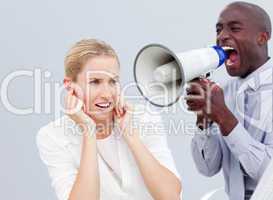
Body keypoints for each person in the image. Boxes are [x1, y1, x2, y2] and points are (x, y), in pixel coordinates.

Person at [36, 39, 182, 200]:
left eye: (113, 81)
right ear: (70, 86)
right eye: (95, 82)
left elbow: (170, 196)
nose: (107, 94)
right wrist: (88, 131)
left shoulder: (144, 118)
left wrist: (130, 135)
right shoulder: (52, 136)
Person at [186, 2, 272, 200]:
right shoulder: (224, 92)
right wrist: (203, 118)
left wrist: (224, 117)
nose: (222, 36)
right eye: (219, 29)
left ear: (262, 37)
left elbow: (268, 178)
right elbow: (207, 168)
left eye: (234, 28)